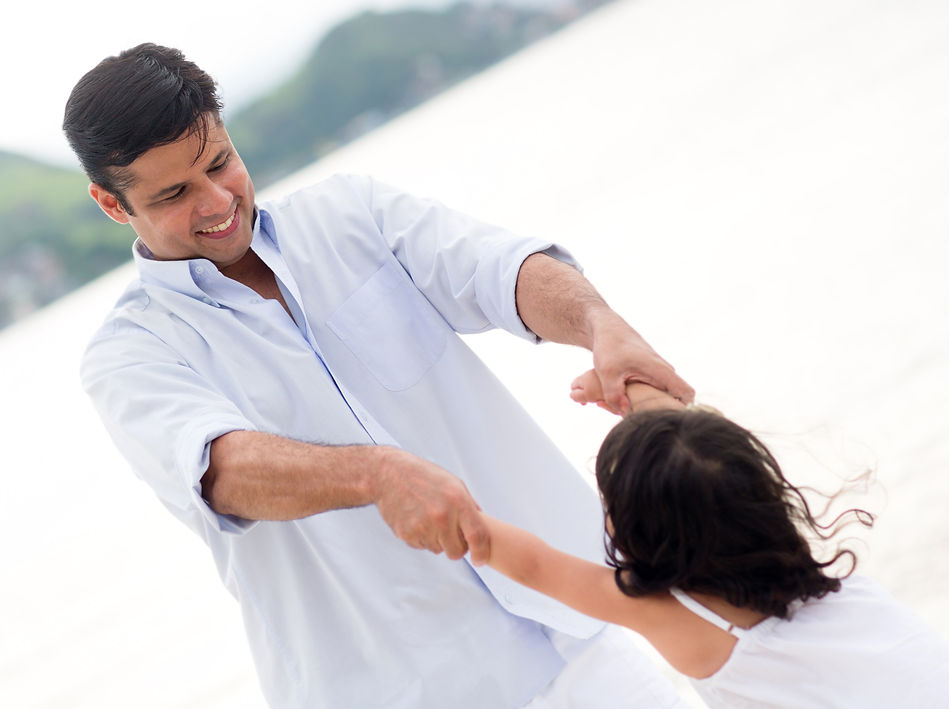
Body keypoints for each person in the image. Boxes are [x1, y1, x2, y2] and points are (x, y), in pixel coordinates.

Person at [64, 44, 696, 708]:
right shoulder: (128, 356)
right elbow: (220, 470)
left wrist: (600, 325)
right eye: (175, 194)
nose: (217, 200)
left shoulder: (350, 213)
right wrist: (377, 473)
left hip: (581, 629)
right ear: (112, 203)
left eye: (220, 163)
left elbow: (493, 269)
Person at [475, 376, 949, 708]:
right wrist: (633, 385)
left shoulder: (688, 623)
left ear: (640, 535)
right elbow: (701, 442)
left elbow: (538, 567)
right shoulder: (810, 577)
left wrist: (449, 507)